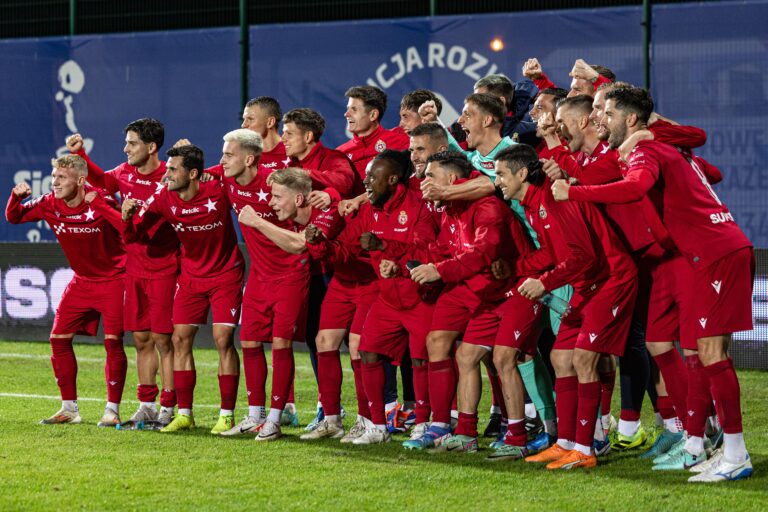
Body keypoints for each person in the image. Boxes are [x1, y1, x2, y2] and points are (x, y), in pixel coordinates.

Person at [552, 86, 754, 482]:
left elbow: (636, 187)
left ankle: (734, 454)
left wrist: (573, 191)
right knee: (699, 350)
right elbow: (708, 170)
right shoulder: (658, 146)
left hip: (711, 253)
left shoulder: (645, 150)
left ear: (629, 119)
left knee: (711, 353)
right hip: (712, 249)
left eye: (606, 113)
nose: (600, 120)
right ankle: (710, 445)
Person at [494, 144, 637, 471]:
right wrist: (519, 268)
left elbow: (583, 256)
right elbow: (555, 254)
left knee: (583, 359)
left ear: (520, 173)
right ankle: (566, 443)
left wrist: (544, 283)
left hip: (612, 278)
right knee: (560, 357)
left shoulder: (553, 198)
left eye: (501, 174)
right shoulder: (531, 205)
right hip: (589, 283)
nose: (497, 180)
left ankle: (586, 448)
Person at [399, 152, 542, 458]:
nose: (424, 183)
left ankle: (517, 435)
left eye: (431, 177)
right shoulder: (452, 210)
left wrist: (440, 270)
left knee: (506, 359)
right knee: (466, 355)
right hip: (489, 296)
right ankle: (464, 432)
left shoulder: (487, 207)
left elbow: (483, 253)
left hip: (519, 290)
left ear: (451, 180)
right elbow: (447, 249)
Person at [123, 144, 245, 434]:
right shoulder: (164, 196)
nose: (166, 175)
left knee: (223, 338)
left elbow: (239, 176)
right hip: (190, 277)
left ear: (193, 174)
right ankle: (185, 414)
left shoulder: (219, 191)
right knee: (179, 339)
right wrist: (127, 217)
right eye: (166, 169)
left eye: (173, 169)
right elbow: (138, 233)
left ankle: (227, 414)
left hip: (226, 273)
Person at [66, 118, 178, 427]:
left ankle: (169, 407)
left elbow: (144, 227)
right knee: (141, 338)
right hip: (134, 268)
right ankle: (147, 404)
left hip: (165, 267)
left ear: (151, 147)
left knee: (163, 339)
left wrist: (115, 213)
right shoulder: (125, 172)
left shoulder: (168, 177)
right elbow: (102, 181)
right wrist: (82, 156)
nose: (125, 148)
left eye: (132, 143)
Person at [237, 167, 359, 441]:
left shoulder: (324, 214)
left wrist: (256, 222)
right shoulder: (298, 219)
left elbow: (298, 246)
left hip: (367, 280)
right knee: (324, 341)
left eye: (278, 197)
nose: (271, 202)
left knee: (361, 348)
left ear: (299, 200)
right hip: (342, 280)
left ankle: (374, 419)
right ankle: (332, 420)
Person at [6, 155, 128, 426]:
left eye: (62, 177)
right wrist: (15, 198)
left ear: (81, 180)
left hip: (114, 279)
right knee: (58, 339)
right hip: (82, 281)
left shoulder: (101, 200)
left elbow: (126, 227)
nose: (55, 182)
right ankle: (69, 409)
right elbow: (14, 217)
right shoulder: (50, 203)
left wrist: (102, 206)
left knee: (113, 342)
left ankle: (112, 410)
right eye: (54, 176)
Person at [337, 85, 410, 178]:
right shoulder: (340, 153)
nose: (346, 114)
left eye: (354, 109)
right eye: (348, 108)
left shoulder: (401, 141)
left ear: (373, 115)